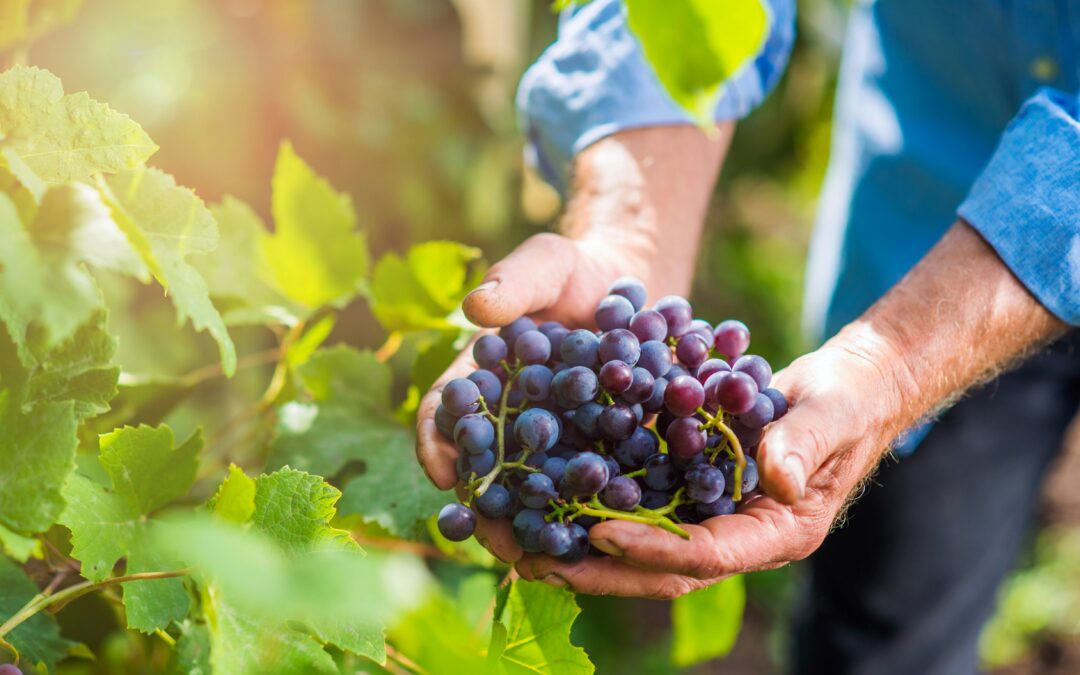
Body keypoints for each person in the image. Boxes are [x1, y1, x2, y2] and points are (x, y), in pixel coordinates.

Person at [416, 1, 1080, 672]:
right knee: (885, 620)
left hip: (919, 315)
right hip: (919, 230)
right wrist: (630, 228)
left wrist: (896, 364)